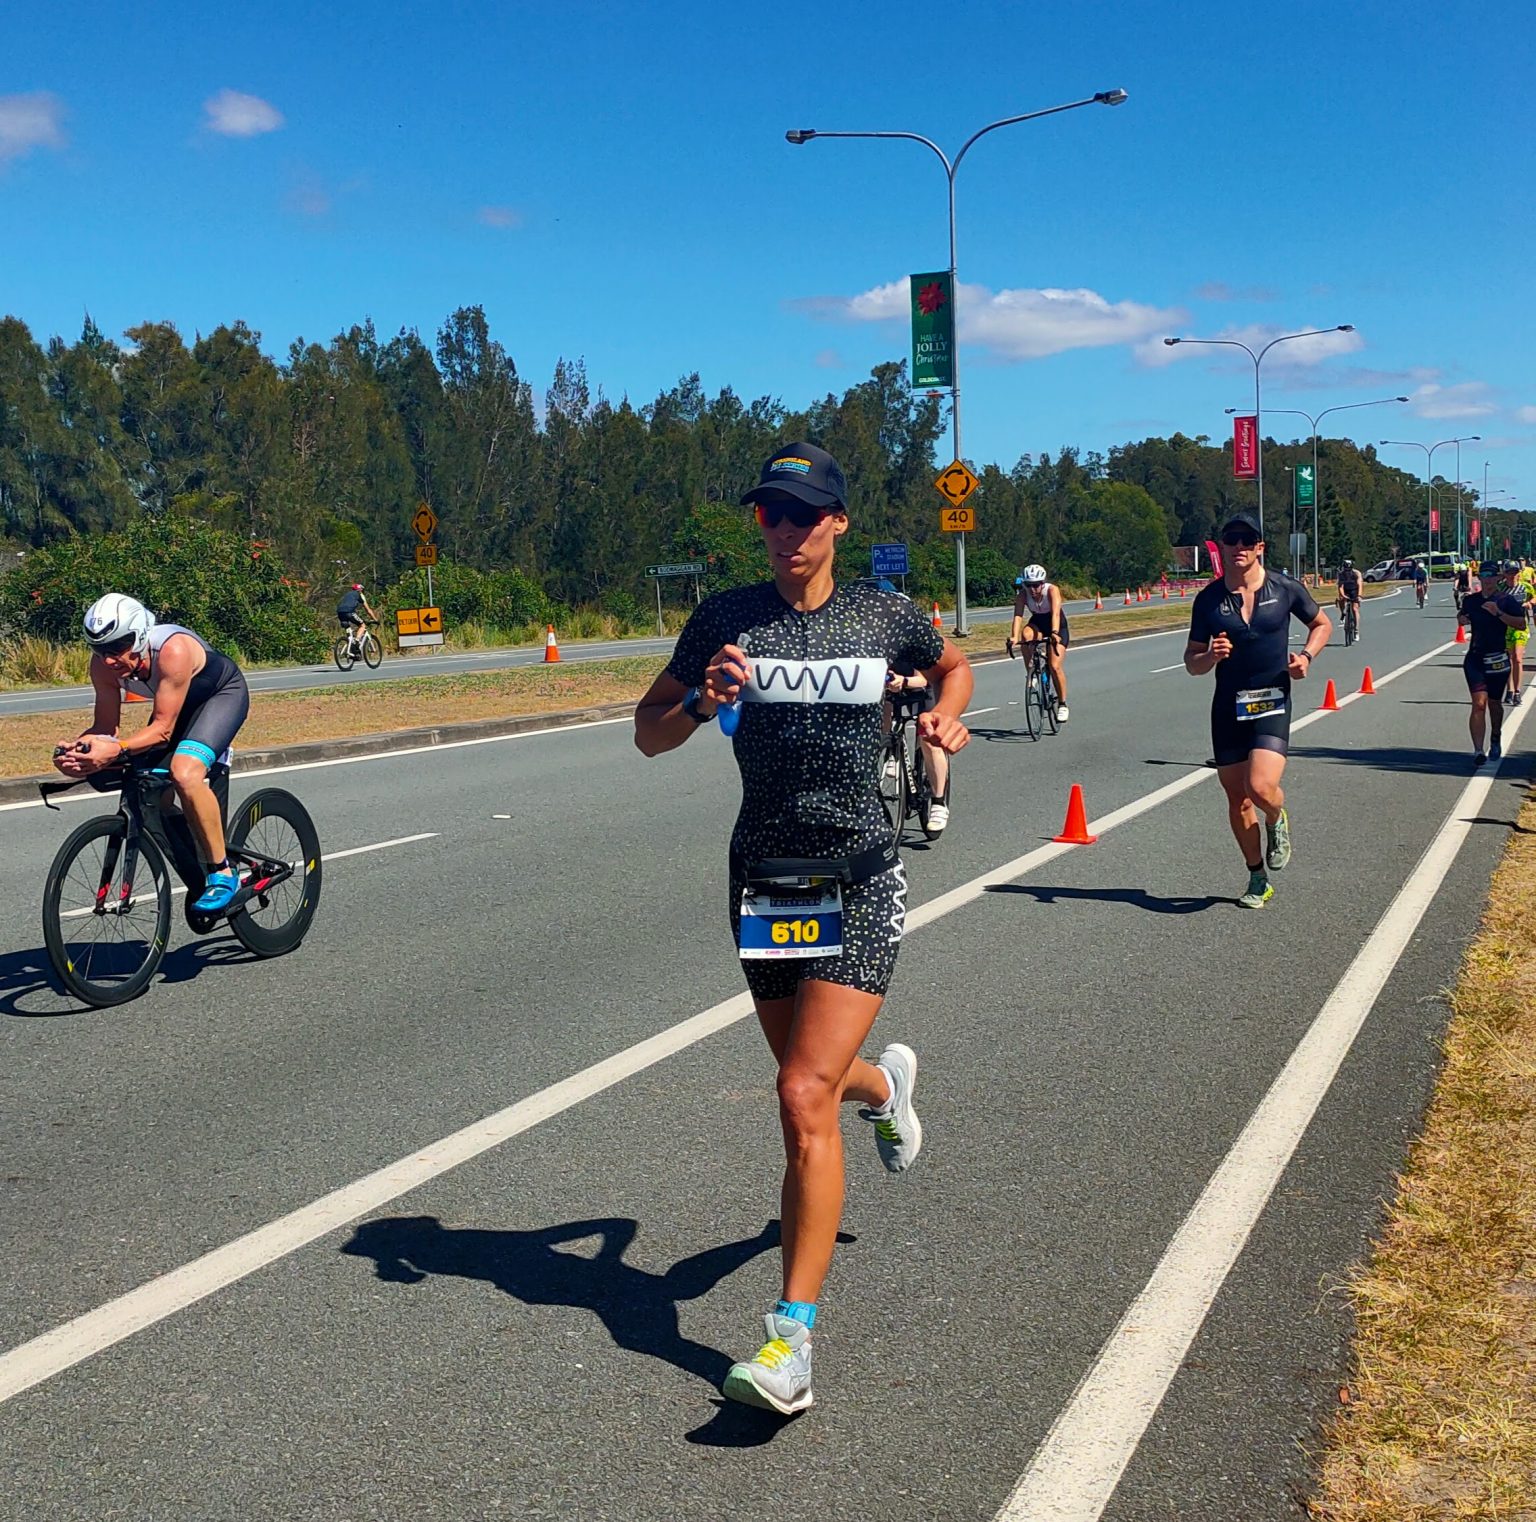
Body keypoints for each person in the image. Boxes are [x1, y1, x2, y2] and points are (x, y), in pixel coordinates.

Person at [634, 442, 973, 1415]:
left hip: (860, 870)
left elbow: (954, 669)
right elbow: (648, 731)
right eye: (770, 514)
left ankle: (792, 1343)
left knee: (795, 1091)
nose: (784, 530)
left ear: (837, 523)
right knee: (815, 1091)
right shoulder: (726, 619)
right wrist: (702, 700)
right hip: (770, 879)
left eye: (803, 513)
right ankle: (888, 1085)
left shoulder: (881, 614)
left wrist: (946, 719)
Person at [54, 593, 252, 911]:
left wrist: (115, 748)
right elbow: (105, 726)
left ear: (141, 634)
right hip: (172, 706)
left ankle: (222, 872)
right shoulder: (103, 667)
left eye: (118, 647)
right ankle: (196, 849)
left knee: (184, 773)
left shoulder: (172, 650)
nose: (108, 659)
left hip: (219, 696)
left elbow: (162, 730)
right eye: (100, 649)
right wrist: (78, 751)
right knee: (153, 795)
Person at [1184, 513, 1332, 909]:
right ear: (1222, 547)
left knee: (1261, 787)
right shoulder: (1209, 600)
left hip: (1271, 700)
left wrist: (1306, 657)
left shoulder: (1284, 589)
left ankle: (1276, 818)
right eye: (1231, 540)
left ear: (1260, 547)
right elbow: (1191, 661)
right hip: (1228, 707)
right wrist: (1209, 657)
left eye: (1247, 541)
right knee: (1237, 799)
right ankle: (1256, 877)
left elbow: (1322, 624)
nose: (1239, 547)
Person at [1460, 560, 1526, 763]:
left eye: (1491, 576)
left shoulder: (1506, 600)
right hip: (1475, 658)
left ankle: (1495, 736)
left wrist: (1498, 613)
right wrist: (1461, 618)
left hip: (1498, 658)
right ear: (1480, 578)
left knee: (1494, 704)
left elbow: (1521, 624)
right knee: (1479, 703)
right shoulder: (1471, 600)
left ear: (1498, 578)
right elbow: (1463, 615)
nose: (1488, 580)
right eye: (1484, 576)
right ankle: (1478, 750)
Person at [1007, 563, 1071, 721]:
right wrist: (1014, 637)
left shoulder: (1051, 590)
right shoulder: (1023, 594)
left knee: (1054, 666)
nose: (1033, 589)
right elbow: (1018, 616)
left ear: (1042, 583)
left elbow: (1055, 614)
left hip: (1057, 626)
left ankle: (1062, 704)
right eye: (1029, 585)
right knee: (1025, 635)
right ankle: (1032, 673)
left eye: (1036, 585)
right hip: (1038, 624)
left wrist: (1055, 633)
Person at [336, 582, 379, 652]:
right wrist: (375, 619)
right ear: (360, 590)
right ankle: (356, 641)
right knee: (362, 625)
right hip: (349, 612)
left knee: (348, 628)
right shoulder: (359, 595)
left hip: (340, 612)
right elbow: (368, 610)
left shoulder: (347, 594)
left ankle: (350, 644)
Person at [1335, 558, 1363, 640]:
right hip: (1346, 590)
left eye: (1349, 569)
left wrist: (1359, 595)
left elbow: (1359, 585)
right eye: (1346, 569)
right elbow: (1340, 586)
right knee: (1340, 599)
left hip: (1354, 590)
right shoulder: (1341, 574)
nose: (1347, 571)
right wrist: (1343, 595)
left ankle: (1356, 631)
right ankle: (1343, 613)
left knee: (1355, 609)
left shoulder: (1356, 573)